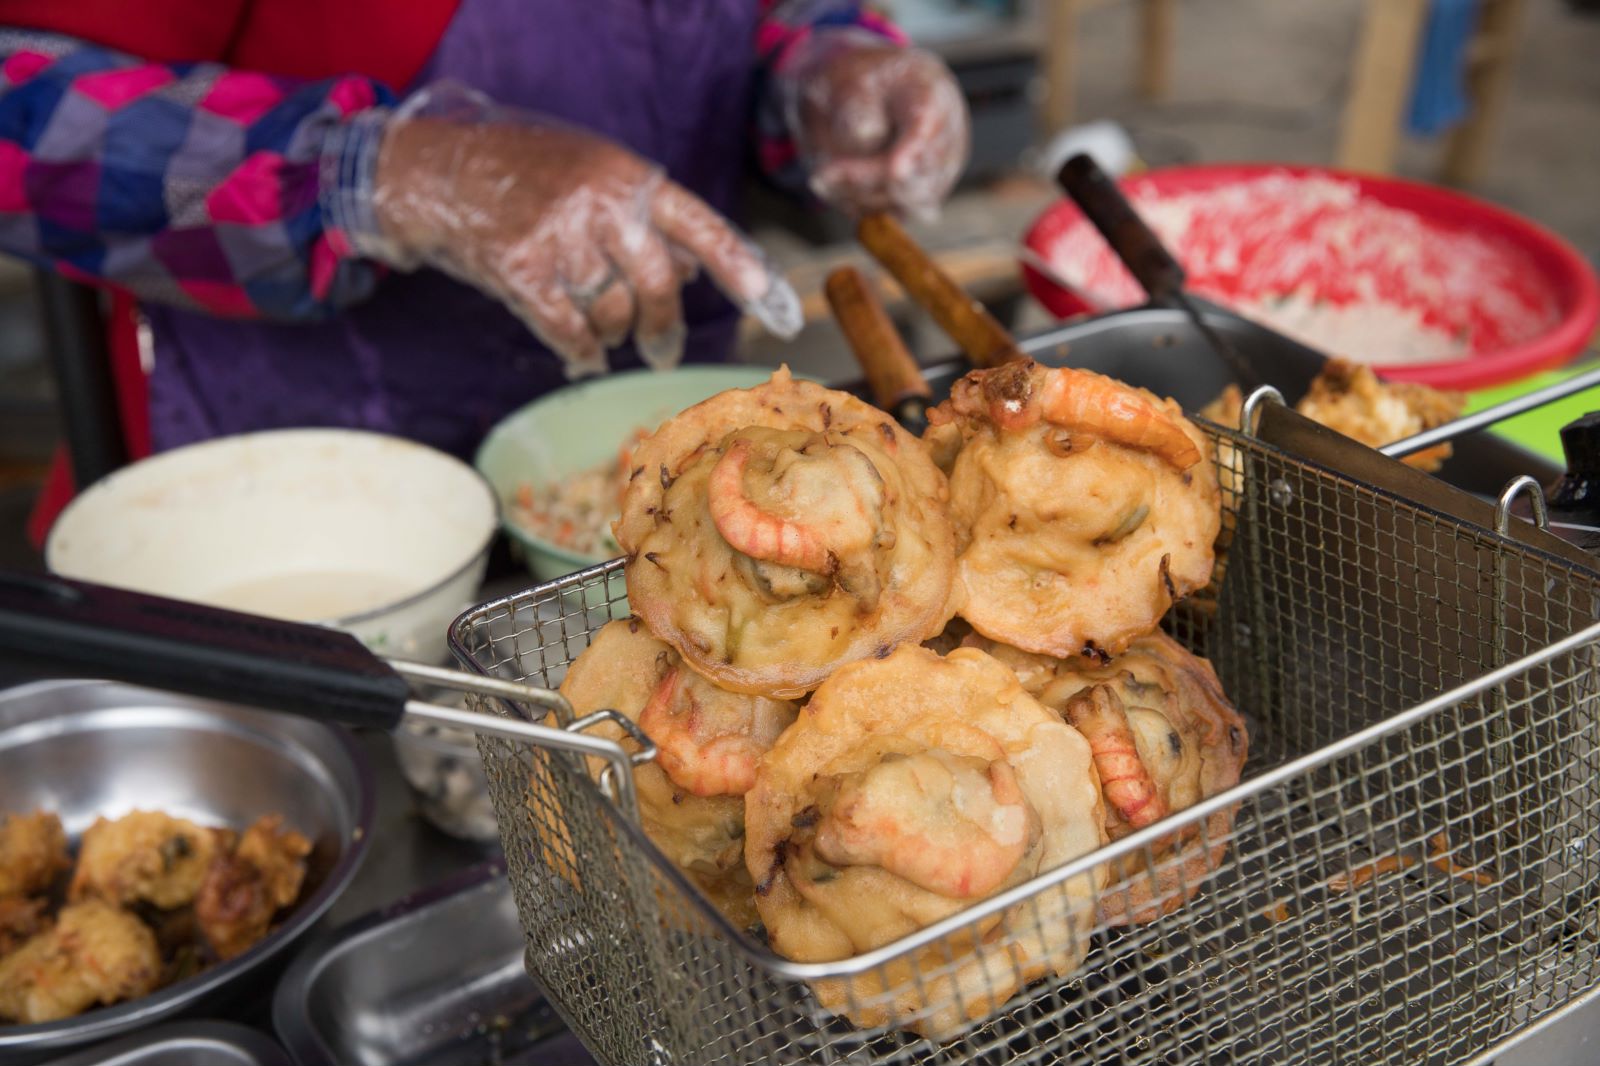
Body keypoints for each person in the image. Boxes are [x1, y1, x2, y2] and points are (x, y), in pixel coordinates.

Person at [0, 0, 969, 461]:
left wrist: (821, 73)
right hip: (304, 494)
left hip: (637, 456)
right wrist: (386, 174)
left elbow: (737, 27)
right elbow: (20, 115)